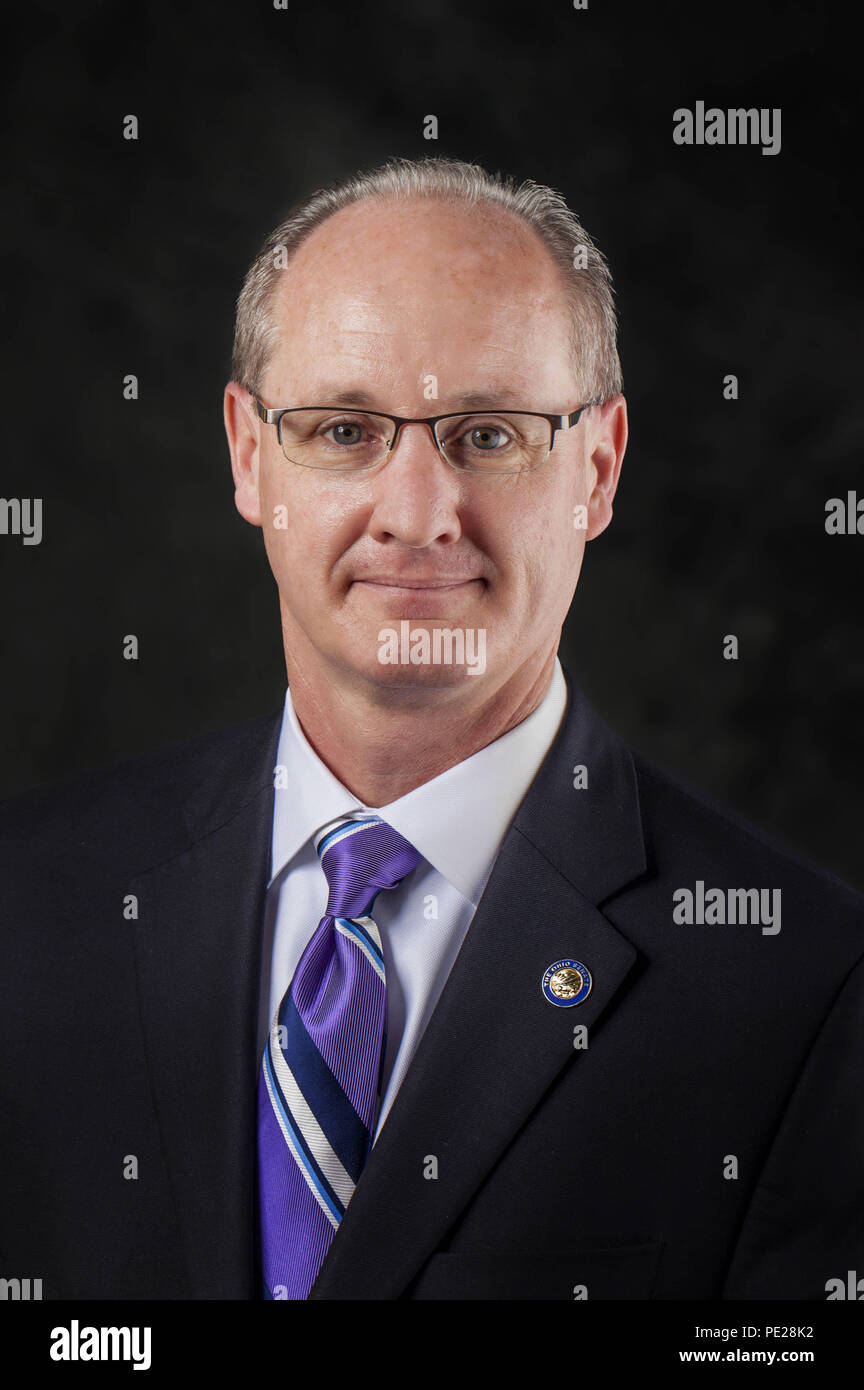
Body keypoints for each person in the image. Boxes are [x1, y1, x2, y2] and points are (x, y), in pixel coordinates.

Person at [1, 156, 862, 1302]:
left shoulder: (808, 988)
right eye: (346, 429)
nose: (418, 515)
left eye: (490, 435)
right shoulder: (29, 902)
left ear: (597, 470)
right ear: (250, 454)